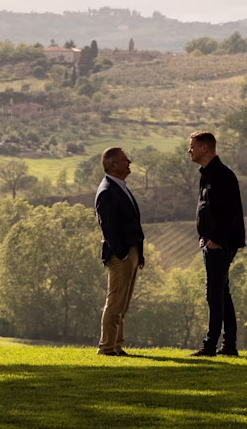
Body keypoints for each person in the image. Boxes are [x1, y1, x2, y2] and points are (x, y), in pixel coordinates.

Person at [187, 131, 245, 357]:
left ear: (205, 148)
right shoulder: (208, 174)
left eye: (192, 146)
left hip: (220, 244)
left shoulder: (222, 175)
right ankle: (229, 345)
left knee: (214, 294)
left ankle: (210, 345)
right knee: (221, 292)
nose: (189, 151)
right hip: (212, 242)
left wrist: (217, 240)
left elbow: (230, 212)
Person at [94, 147, 145, 356]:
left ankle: (116, 345)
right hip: (120, 255)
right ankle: (107, 347)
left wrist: (138, 254)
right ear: (113, 165)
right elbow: (108, 227)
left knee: (122, 303)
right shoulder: (107, 191)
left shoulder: (119, 187)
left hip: (129, 252)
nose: (129, 162)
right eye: (125, 160)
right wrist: (123, 253)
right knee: (115, 302)